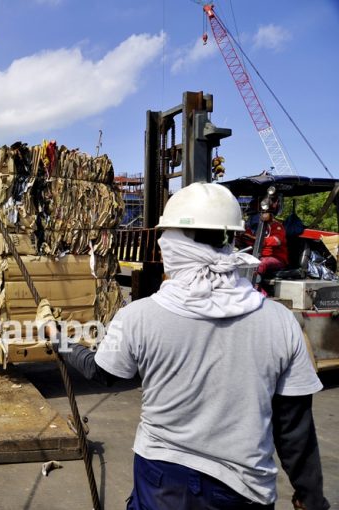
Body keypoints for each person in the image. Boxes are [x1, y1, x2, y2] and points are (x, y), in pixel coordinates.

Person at [39, 182, 328, 509]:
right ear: (231, 239)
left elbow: (101, 371)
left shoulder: (139, 316)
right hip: (244, 490)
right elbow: (294, 429)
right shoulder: (280, 321)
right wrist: (311, 497)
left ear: (170, 245)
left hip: (162, 480)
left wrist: (56, 336)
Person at [240, 208, 289, 278]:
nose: (254, 217)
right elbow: (249, 242)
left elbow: (277, 240)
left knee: (260, 264)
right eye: (252, 215)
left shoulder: (277, 226)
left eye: (256, 214)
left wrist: (258, 239)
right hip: (257, 255)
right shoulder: (253, 228)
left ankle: (255, 286)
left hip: (276, 258)